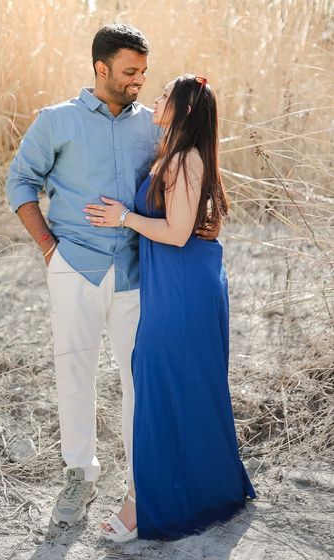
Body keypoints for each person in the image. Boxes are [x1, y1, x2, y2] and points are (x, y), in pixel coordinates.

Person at [6, 25, 218, 527]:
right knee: (74, 374)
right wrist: (48, 249)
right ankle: (80, 476)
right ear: (101, 68)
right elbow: (20, 182)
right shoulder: (56, 120)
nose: (139, 81)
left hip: (137, 275)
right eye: (129, 71)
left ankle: (140, 484)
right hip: (74, 267)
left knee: (139, 380)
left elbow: (183, 178)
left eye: (144, 72)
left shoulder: (155, 124)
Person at [84, 74, 257, 541]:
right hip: (180, 283)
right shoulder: (176, 154)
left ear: (181, 109)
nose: (156, 98)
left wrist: (123, 217)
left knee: (161, 386)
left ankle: (143, 504)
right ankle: (204, 491)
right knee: (184, 387)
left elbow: (177, 233)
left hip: (183, 289)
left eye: (165, 95)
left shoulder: (183, 160)